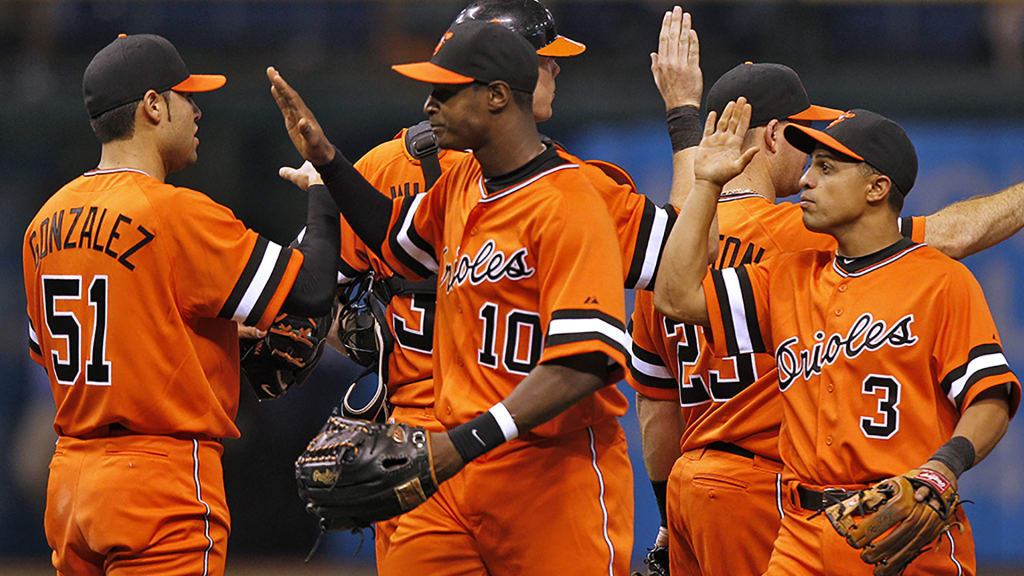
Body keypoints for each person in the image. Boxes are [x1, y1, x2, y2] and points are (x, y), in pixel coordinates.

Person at [275, 2, 691, 570]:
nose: (427, 106)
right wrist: (327, 160)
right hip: (439, 458)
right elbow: (395, 236)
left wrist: (460, 444)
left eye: (445, 92)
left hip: (545, 467)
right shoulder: (464, 182)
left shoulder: (573, 199)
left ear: (496, 95)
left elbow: (587, 360)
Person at [632, 31, 1024, 573]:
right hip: (780, 506)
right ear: (772, 135)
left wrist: (943, 467)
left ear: (876, 188)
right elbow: (676, 295)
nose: (809, 177)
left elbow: (656, 396)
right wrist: (705, 180)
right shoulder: (793, 257)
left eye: (828, 165)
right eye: (809, 153)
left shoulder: (932, 280)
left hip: (855, 507)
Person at [22, 33, 342, 576]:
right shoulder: (175, 212)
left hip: (72, 483)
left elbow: (70, 350)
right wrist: (326, 185)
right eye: (186, 96)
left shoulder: (43, 223)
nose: (197, 110)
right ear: (153, 105)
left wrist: (201, 342)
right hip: (158, 479)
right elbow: (310, 291)